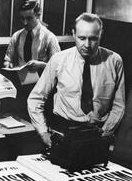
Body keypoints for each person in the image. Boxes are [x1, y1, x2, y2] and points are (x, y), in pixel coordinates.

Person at [28, 13, 125, 147]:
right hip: (64, 130)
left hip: (98, 132)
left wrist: (105, 131)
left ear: (101, 34)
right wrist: (43, 132)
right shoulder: (58, 60)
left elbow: (119, 105)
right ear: (73, 34)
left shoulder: (114, 60)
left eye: (93, 39)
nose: (87, 45)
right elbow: (35, 98)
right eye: (82, 38)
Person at [4, 0, 60, 73]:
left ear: (38, 15)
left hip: (42, 82)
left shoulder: (50, 38)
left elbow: (58, 66)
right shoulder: (16, 36)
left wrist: (41, 65)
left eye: (29, 18)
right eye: (22, 18)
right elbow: (8, 59)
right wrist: (8, 64)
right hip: (19, 81)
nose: (25, 22)